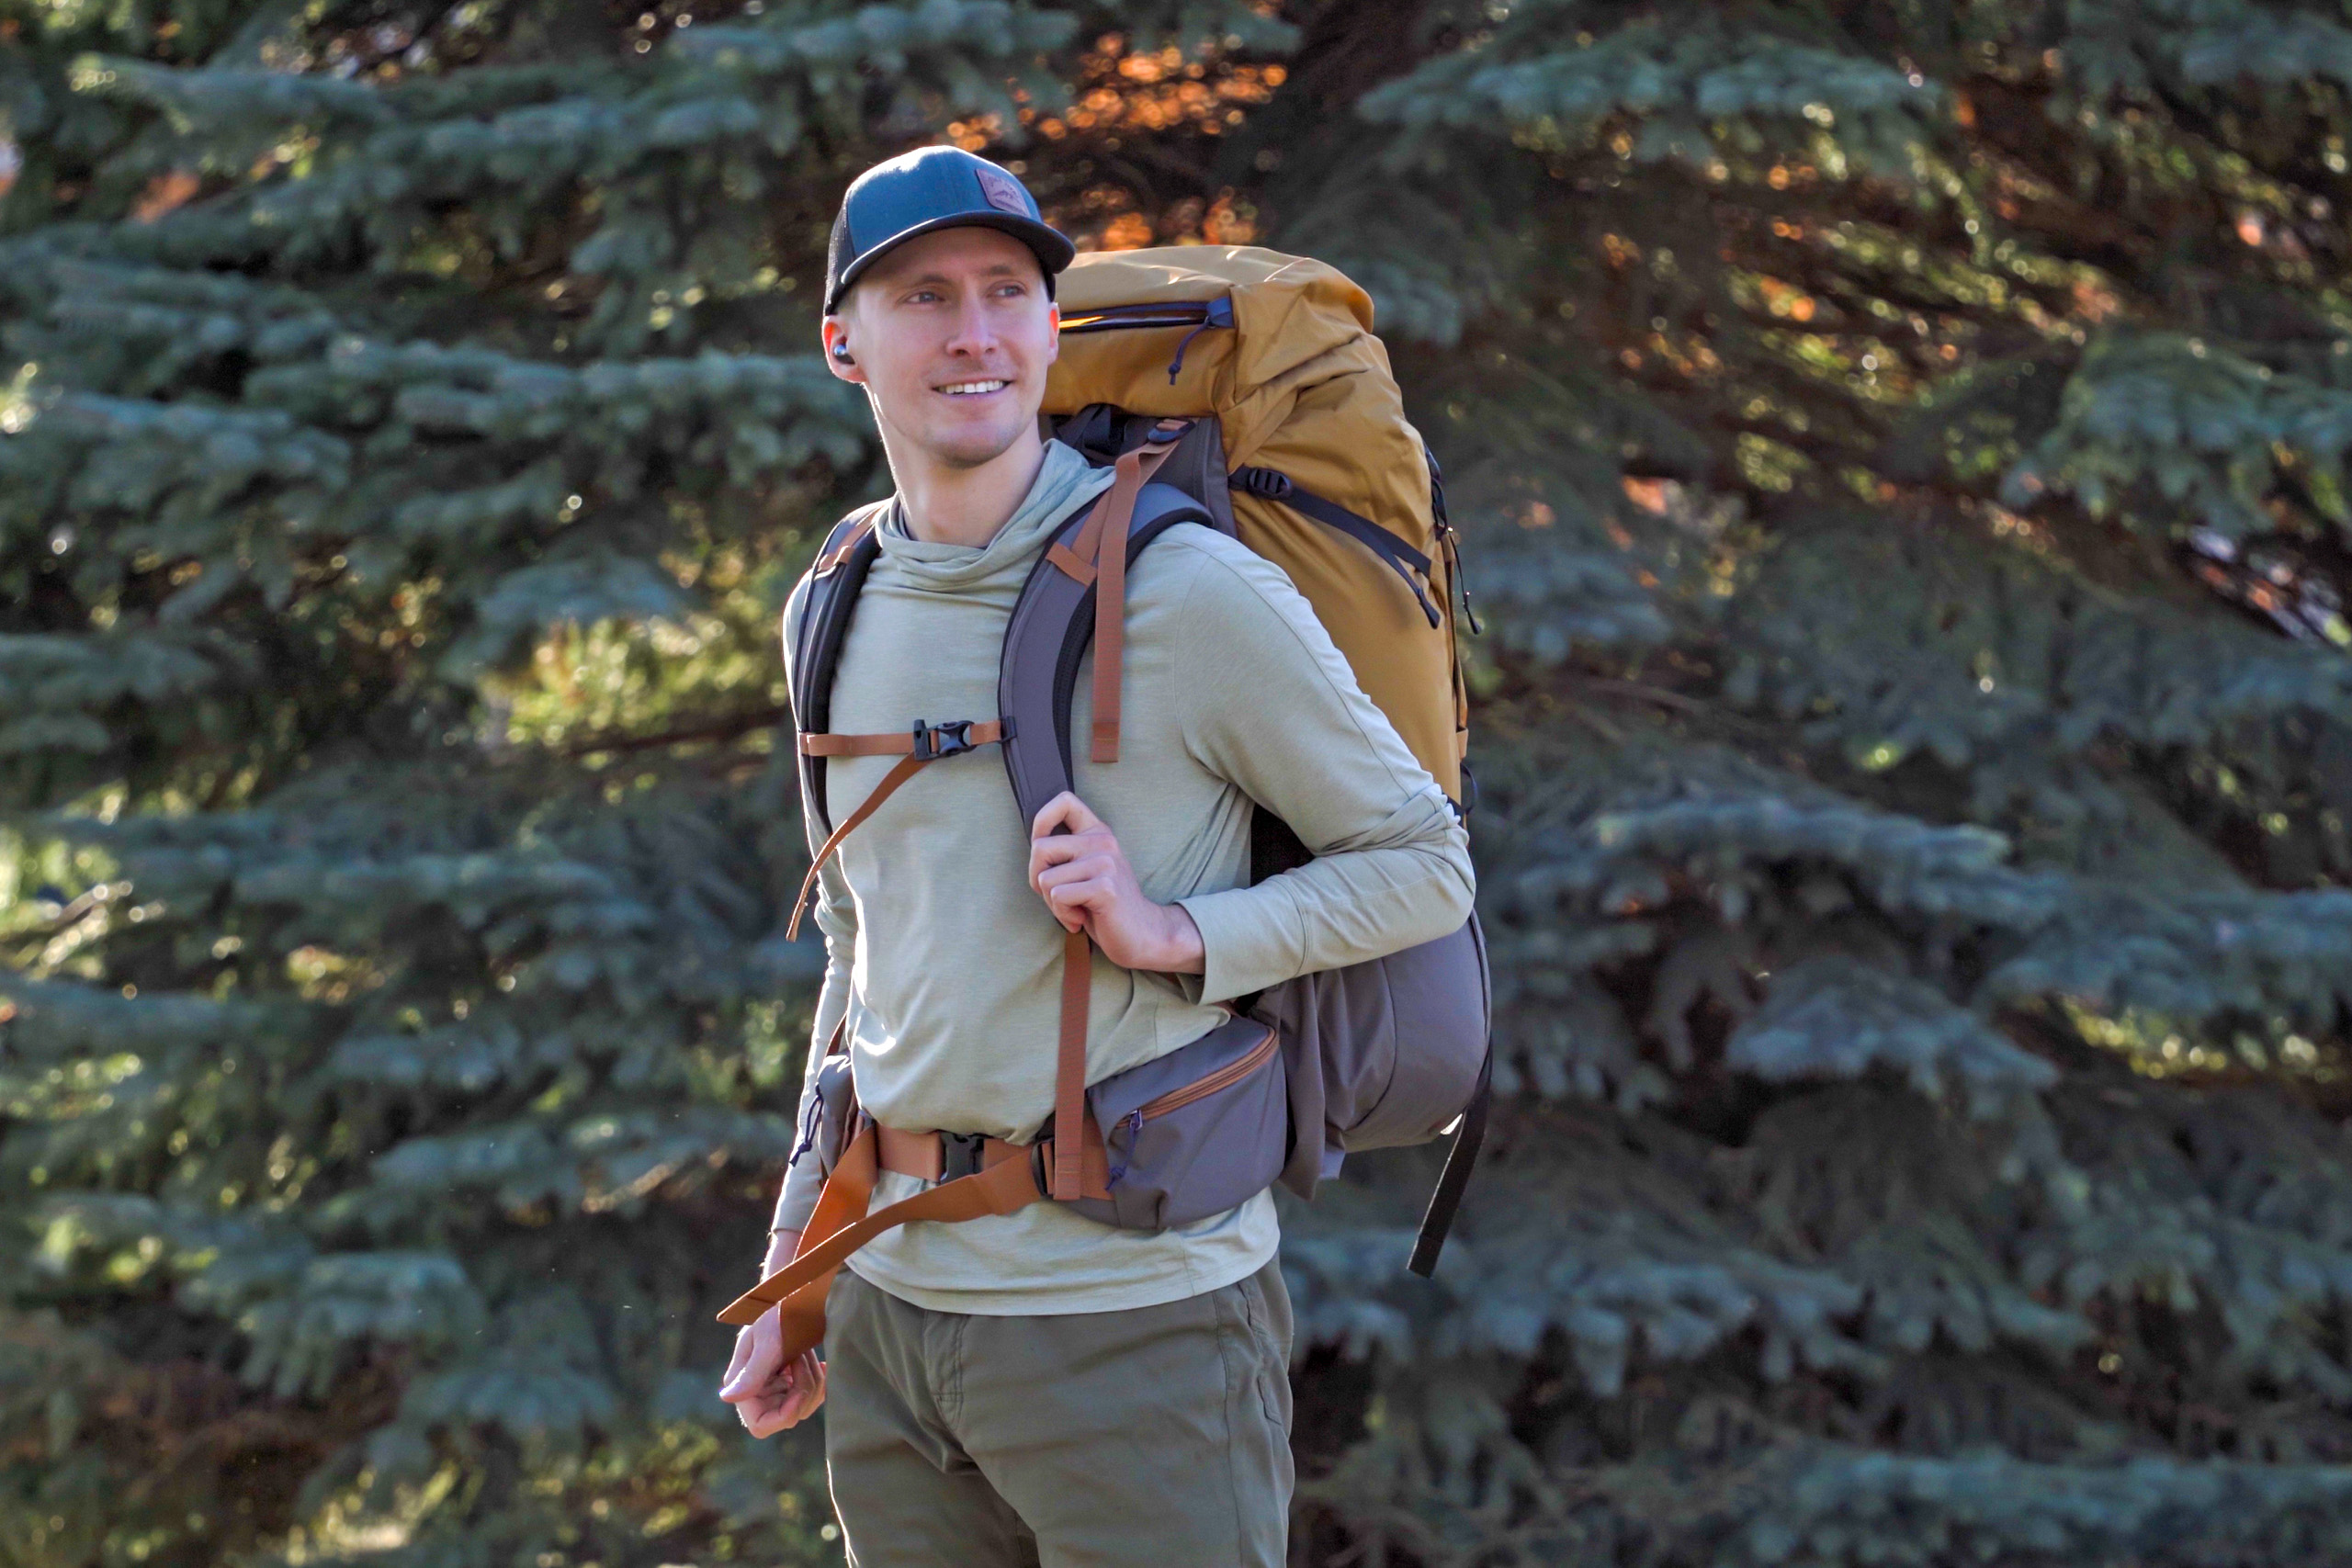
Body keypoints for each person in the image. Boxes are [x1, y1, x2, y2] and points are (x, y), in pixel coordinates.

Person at [717, 145, 1475, 1567]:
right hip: (889, 1321)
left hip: (1139, 1328)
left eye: (1008, 293)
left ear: (1048, 330)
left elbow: (1423, 860)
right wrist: (796, 1269)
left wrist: (1178, 933)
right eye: (924, 296)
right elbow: (864, 956)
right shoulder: (835, 602)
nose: (975, 332)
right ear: (843, 343)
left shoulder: (1187, 592)